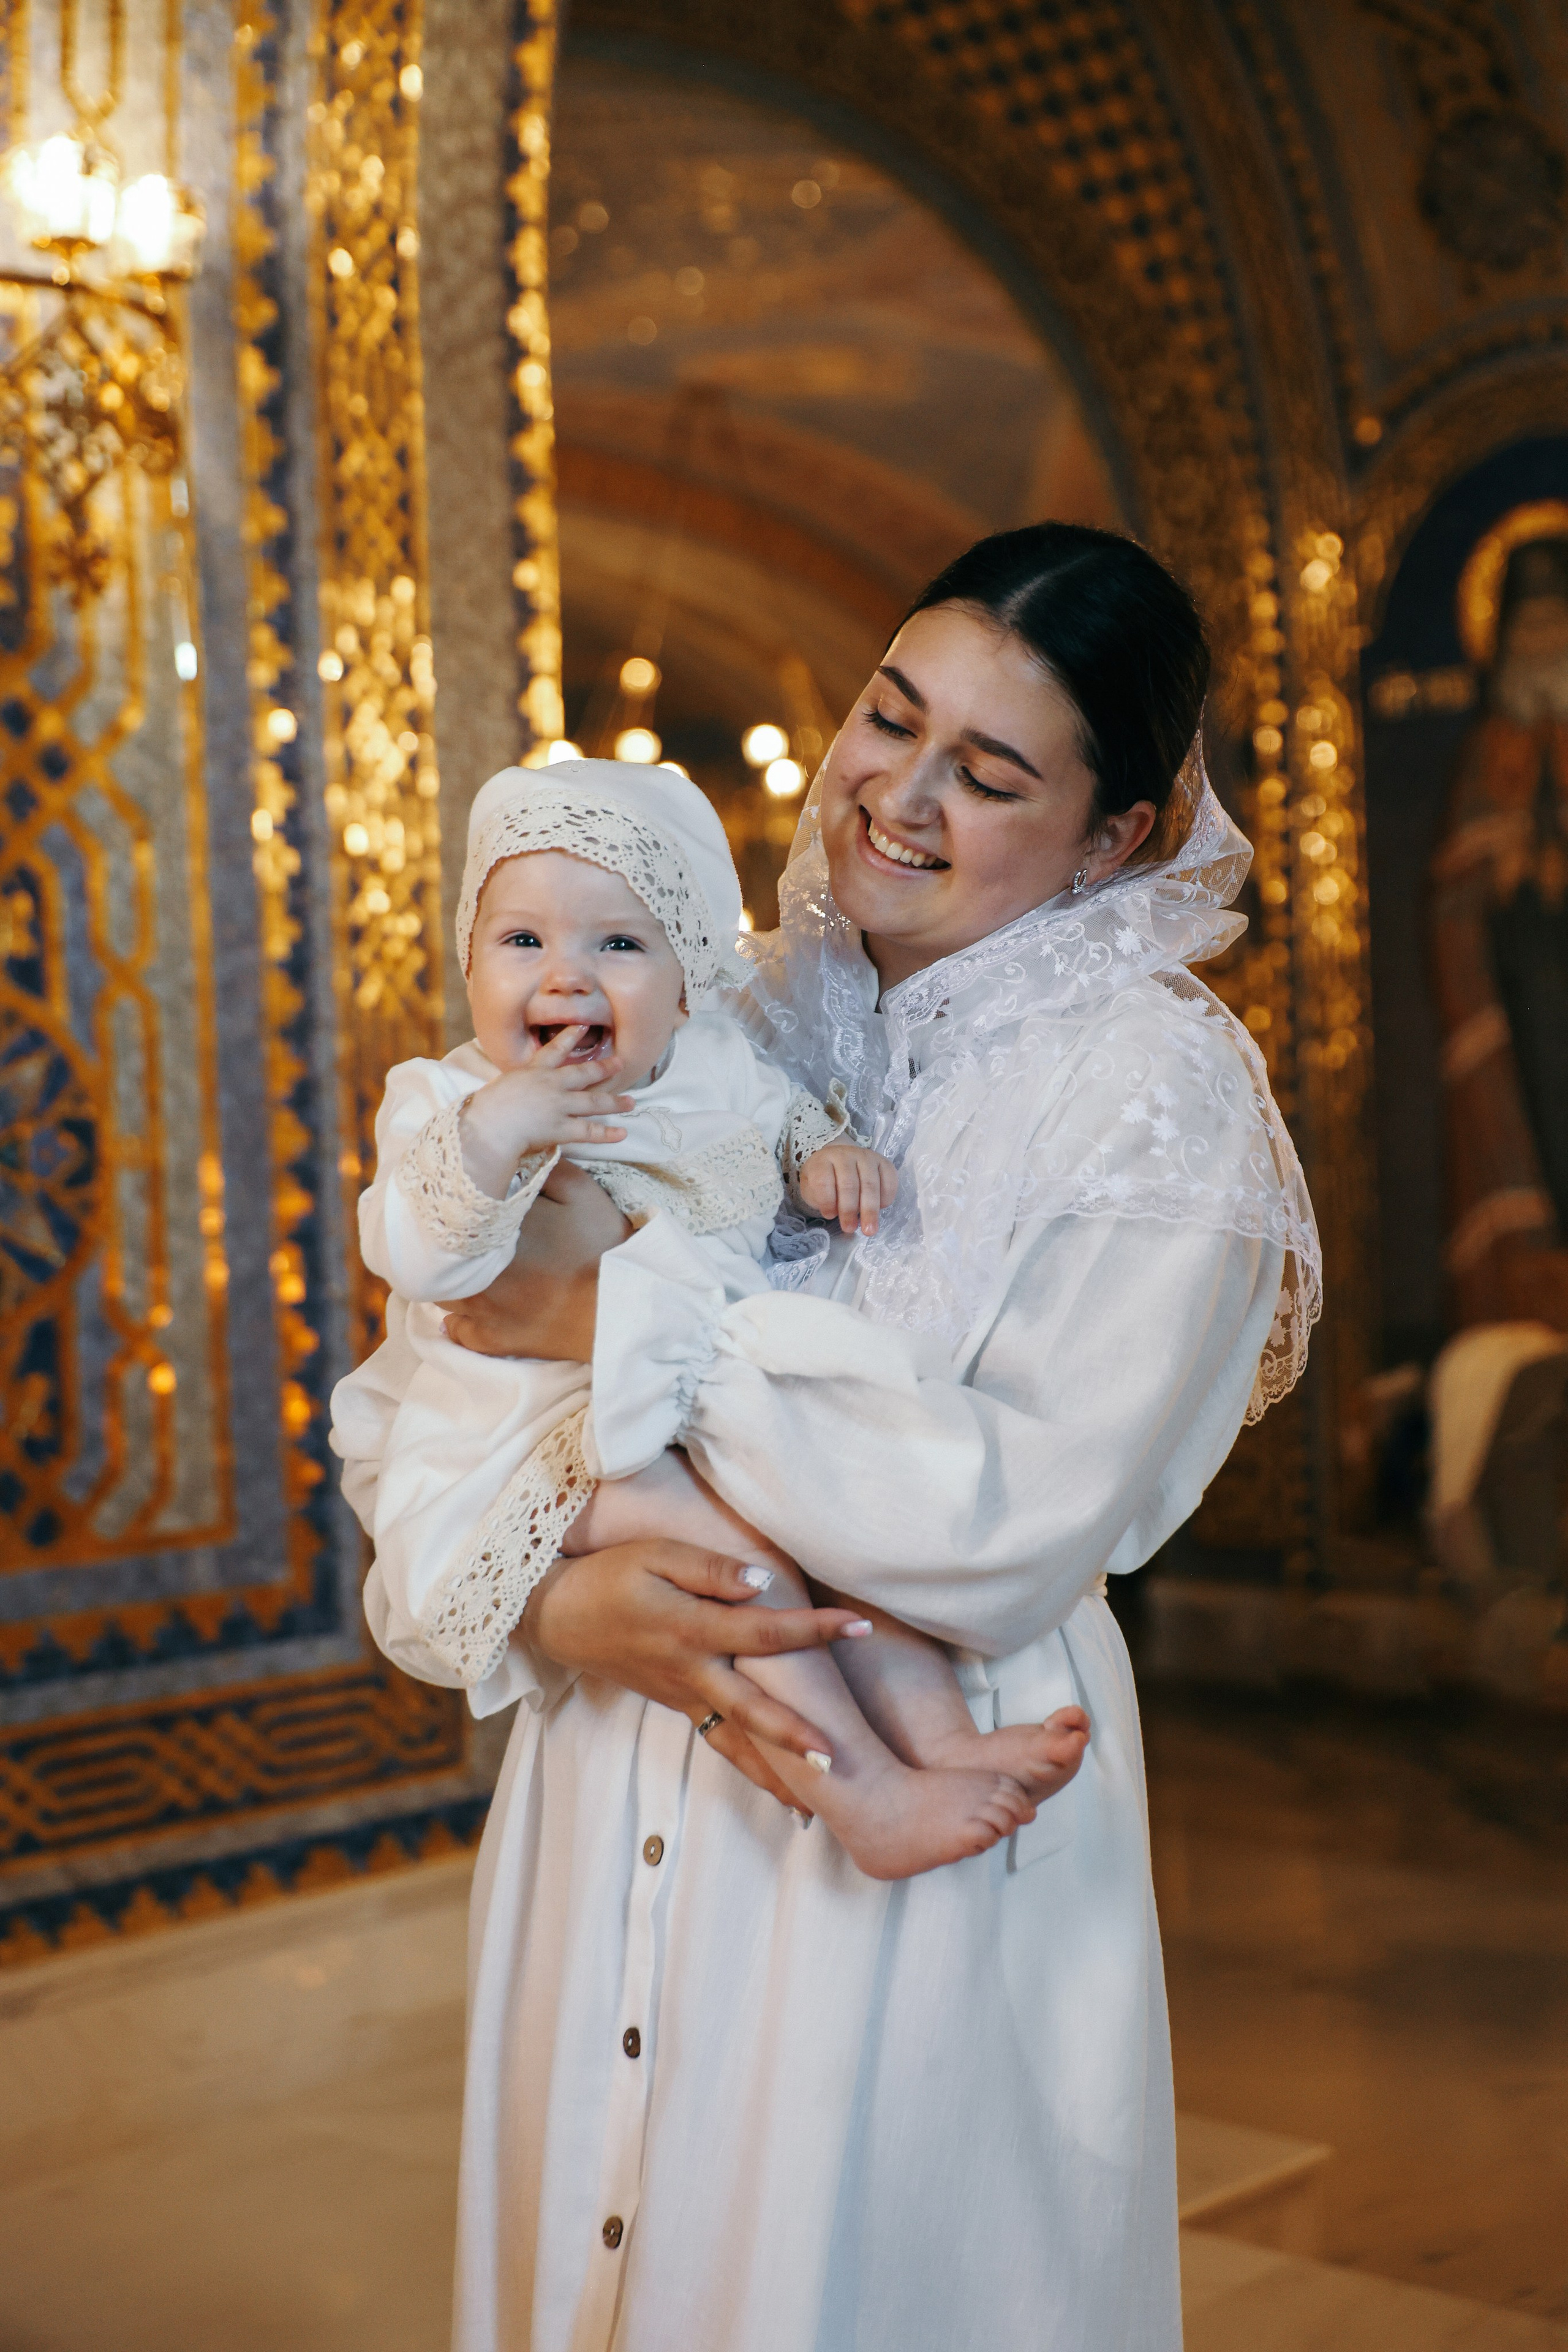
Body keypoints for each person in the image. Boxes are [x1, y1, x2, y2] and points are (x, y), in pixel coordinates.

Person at [393, 525, 1322, 2351]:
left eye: (988, 775)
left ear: (1115, 833)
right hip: (616, 1787)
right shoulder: (714, 991)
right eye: (889, 717)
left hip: (924, 1821)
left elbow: (1013, 1526)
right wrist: (556, 1612)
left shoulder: (1155, 1097)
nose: (896, 795)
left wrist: (629, 1325)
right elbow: (432, 1380)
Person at [331, 758, 1090, 1879]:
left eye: (618, 945)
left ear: (689, 984)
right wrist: (504, 1131)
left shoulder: (720, 1067)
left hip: (700, 1405)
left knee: (839, 1538)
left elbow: (780, 1118)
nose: (567, 977)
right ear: (471, 961)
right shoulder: (448, 1103)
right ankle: (867, 1798)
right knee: (750, 1568)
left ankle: (945, 1745)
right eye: (522, 941)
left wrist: (819, 1154)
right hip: (540, 1441)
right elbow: (416, 1250)